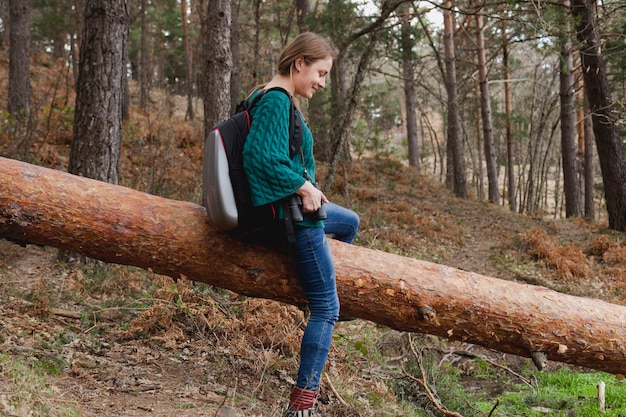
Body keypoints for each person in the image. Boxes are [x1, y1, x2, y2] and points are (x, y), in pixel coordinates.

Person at [242, 32, 360, 417]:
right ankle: (302, 405)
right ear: (299, 64)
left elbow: (277, 156)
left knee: (349, 222)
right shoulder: (275, 101)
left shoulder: (271, 96)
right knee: (326, 307)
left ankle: (318, 282)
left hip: (300, 209)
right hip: (294, 219)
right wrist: (303, 185)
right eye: (320, 72)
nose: (322, 83)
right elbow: (260, 159)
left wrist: (307, 185)